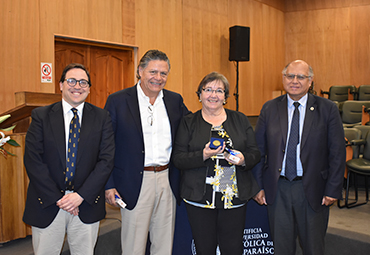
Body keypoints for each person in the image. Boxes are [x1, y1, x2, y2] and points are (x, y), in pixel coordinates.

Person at [252, 60, 346, 255]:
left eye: (301, 77)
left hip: (313, 190)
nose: (294, 81)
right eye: (290, 76)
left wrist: (333, 189)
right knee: (281, 248)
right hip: (278, 189)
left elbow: (337, 152)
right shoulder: (269, 109)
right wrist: (258, 186)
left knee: (313, 247)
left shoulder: (327, 108)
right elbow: (258, 151)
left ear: (310, 81)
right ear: (283, 79)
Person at [23, 63, 115, 255]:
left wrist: (80, 196)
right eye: (71, 81)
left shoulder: (101, 117)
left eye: (83, 82)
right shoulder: (41, 116)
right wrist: (61, 199)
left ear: (89, 88)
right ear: (61, 85)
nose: (77, 86)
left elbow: (106, 161)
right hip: (48, 203)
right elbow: (33, 161)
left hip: (86, 203)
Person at [104, 49, 190, 255]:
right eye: (153, 72)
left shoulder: (174, 100)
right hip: (134, 182)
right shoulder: (118, 101)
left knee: (164, 243)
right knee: (134, 245)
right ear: (140, 71)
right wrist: (109, 185)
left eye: (163, 73)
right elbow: (106, 145)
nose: (158, 78)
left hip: (167, 179)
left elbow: (192, 127)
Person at [172, 72, 261, 255]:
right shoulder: (188, 122)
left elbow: (255, 153)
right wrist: (203, 155)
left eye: (219, 91)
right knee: (204, 249)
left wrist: (243, 159)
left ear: (226, 97)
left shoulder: (240, 119)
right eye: (208, 90)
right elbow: (178, 158)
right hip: (199, 199)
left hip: (233, 198)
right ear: (199, 95)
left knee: (233, 249)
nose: (214, 95)